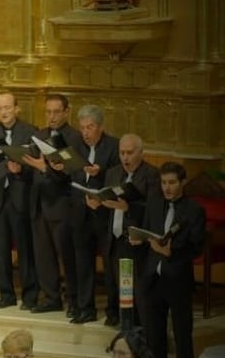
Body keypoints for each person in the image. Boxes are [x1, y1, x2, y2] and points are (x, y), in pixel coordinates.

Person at [129, 161, 205, 358]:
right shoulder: (154, 204)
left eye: (172, 182)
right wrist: (137, 239)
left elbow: (196, 246)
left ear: (182, 182)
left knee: (183, 339)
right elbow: (146, 234)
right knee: (154, 341)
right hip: (152, 280)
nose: (167, 188)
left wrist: (172, 251)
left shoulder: (194, 210)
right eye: (164, 183)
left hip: (178, 281)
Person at [23, 93, 84, 316]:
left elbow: (74, 172)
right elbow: (33, 164)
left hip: (62, 204)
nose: (52, 116)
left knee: (67, 255)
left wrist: (46, 169)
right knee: (43, 254)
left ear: (66, 112)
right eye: (48, 112)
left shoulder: (74, 137)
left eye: (56, 112)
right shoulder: (38, 135)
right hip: (39, 202)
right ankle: (51, 297)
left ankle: (75, 300)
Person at [0, 92, 39, 310]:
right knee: (1, 250)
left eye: (7, 107)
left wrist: (20, 168)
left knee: (25, 249)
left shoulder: (29, 131)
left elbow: (36, 165)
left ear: (16, 108)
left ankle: (30, 294)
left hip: (21, 196)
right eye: (0, 108)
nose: (4, 112)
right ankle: (6, 294)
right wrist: (5, 166)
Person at [98, 134, 160, 329]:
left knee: (137, 290)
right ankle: (123, 327)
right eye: (122, 153)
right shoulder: (113, 173)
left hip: (136, 242)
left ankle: (140, 329)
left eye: (130, 153)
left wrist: (129, 208)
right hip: (114, 239)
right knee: (117, 286)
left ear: (141, 153)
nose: (125, 157)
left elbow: (154, 210)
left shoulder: (151, 175)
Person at [69, 104, 120, 325]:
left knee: (109, 266)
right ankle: (85, 309)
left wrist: (102, 173)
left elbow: (119, 178)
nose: (86, 132)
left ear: (100, 127)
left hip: (104, 214)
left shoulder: (114, 146)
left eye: (90, 127)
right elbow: (71, 176)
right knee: (83, 263)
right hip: (81, 212)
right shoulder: (75, 145)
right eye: (82, 128)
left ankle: (113, 311)